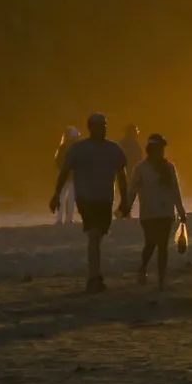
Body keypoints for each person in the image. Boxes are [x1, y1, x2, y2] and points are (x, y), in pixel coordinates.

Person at [50, 112, 130, 293]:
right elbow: (64, 171)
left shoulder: (113, 149)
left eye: (104, 126)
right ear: (90, 128)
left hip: (105, 199)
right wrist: (56, 195)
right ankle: (93, 277)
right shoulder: (79, 149)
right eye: (99, 126)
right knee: (94, 235)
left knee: (99, 235)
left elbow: (122, 176)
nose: (102, 129)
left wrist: (125, 200)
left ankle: (95, 273)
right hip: (86, 199)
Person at [128, 133, 186, 289]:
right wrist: (126, 207)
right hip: (148, 214)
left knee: (163, 246)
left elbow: (175, 190)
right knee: (151, 243)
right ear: (150, 149)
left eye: (162, 148)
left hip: (166, 213)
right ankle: (143, 268)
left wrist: (181, 211)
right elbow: (133, 190)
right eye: (158, 148)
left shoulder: (169, 167)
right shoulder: (140, 168)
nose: (161, 151)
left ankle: (161, 278)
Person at [53, 126, 81, 225]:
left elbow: (57, 161)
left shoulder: (62, 147)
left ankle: (59, 219)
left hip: (63, 176)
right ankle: (68, 219)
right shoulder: (77, 148)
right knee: (71, 198)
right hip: (72, 176)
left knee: (61, 196)